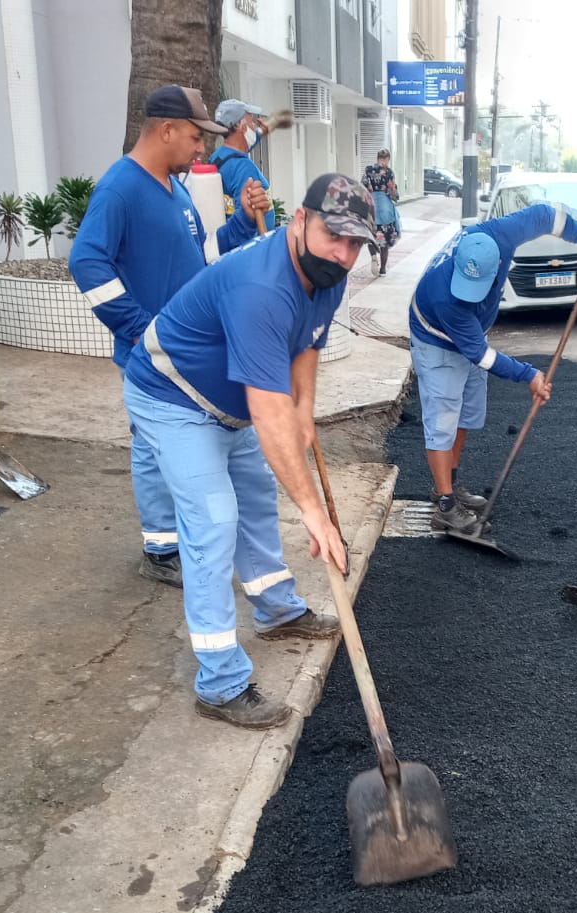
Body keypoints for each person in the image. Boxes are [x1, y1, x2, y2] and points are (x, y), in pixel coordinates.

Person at [121, 174, 375, 727]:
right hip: (172, 394)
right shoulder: (260, 288)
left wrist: (304, 410)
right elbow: (266, 413)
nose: (345, 253)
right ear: (300, 220)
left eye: (357, 243)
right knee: (214, 520)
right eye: (336, 236)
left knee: (258, 494)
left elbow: (308, 343)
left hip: (226, 401)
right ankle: (219, 683)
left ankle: (277, 609)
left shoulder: (326, 273)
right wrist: (314, 514)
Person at [69, 84, 229, 588]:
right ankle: (162, 549)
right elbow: (86, 260)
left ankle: (166, 541)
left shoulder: (174, 186)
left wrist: (244, 226)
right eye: (195, 136)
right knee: (156, 446)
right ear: (166, 130)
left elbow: (201, 255)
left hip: (181, 352)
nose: (201, 147)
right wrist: (138, 329)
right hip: (152, 354)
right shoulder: (121, 187)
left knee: (159, 447)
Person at [407, 202, 577, 533]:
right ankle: (444, 506)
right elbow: (481, 355)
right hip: (437, 340)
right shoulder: (446, 297)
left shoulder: (501, 234)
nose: (471, 296)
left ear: (499, 262)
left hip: (473, 335)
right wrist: (528, 374)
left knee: (467, 413)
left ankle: (450, 486)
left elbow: (549, 215)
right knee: (442, 418)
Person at [210, 98, 275, 249]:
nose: (254, 126)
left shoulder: (220, 156)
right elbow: (250, 217)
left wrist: (260, 133)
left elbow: (241, 147)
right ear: (241, 126)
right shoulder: (244, 168)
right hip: (255, 247)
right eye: (251, 122)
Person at [362, 148, 401, 274]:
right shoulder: (389, 172)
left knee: (371, 236)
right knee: (384, 240)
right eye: (385, 159)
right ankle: (383, 269)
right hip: (384, 208)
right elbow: (392, 191)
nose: (384, 162)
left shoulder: (368, 170)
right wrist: (395, 196)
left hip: (371, 206)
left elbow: (363, 186)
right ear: (387, 159)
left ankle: (373, 256)